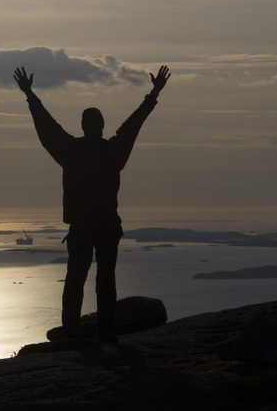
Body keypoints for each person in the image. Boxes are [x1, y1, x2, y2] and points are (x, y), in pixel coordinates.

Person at [14, 64, 170, 344]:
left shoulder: (74, 151)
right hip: (104, 227)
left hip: (91, 227)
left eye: (90, 123)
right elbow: (134, 123)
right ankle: (100, 332)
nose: (92, 127)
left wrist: (31, 95)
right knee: (99, 280)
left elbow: (48, 129)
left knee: (78, 280)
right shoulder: (110, 151)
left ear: (86, 127)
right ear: (99, 127)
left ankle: (77, 333)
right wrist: (153, 93)